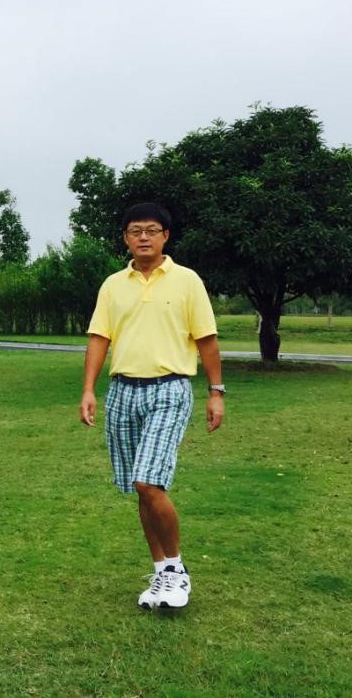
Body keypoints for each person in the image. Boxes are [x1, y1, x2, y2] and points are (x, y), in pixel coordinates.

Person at [78, 202, 224, 610]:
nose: (144, 237)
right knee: (139, 489)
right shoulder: (113, 285)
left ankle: (177, 570)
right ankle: (161, 573)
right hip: (123, 391)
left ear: (166, 236)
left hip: (169, 388)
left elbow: (207, 339)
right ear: (126, 238)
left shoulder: (187, 281)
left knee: (148, 481)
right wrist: (88, 390)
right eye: (135, 231)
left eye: (152, 230)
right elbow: (99, 338)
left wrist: (216, 391)